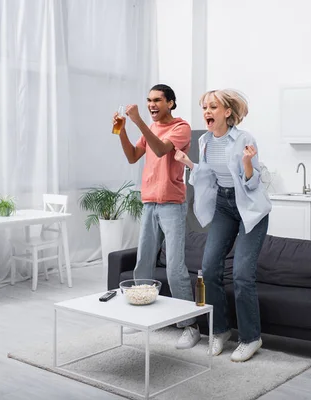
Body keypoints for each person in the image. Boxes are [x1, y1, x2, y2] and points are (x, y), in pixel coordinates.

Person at [174, 89, 271, 362]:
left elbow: (253, 184)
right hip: (224, 206)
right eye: (205, 107)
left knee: (241, 274)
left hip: (251, 208)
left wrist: (247, 163)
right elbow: (207, 175)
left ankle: (251, 338)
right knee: (209, 268)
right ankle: (220, 331)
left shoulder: (243, 139)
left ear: (227, 112)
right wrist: (190, 163)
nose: (207, 111)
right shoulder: (205, 141)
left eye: (213, 106)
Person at [115, 84, 200, 349]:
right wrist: (122, 131)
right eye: (149, 100)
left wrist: (139, 120)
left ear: (171, 103)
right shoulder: (148, 127)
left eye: (157, 101)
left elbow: (162, 150)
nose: (152, 104)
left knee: (175, 268)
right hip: (149, 202)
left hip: (172, 204)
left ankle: (190, 325)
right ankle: (142, 315)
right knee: (143, 263)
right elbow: (132, 157)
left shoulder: (181, 127)